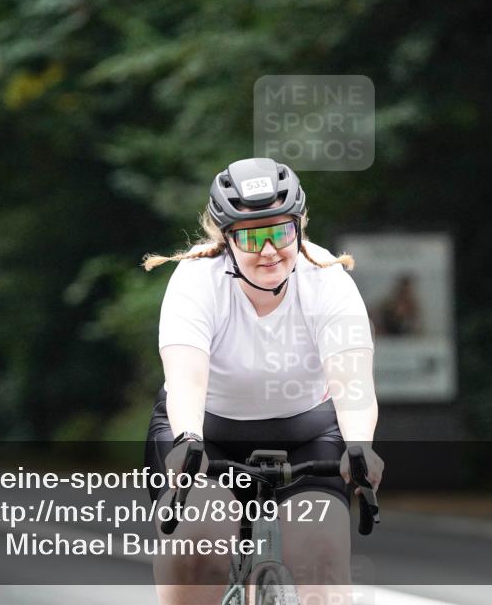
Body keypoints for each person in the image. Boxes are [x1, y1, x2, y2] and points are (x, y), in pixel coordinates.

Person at [143, 158, 383, 605]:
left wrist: (360, 446)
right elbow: (186, 379)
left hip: (307, 435)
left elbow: (353, 383)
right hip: (206, 436)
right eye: (253, 236)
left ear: (299, 227)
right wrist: (187, 439)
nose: (269, 249)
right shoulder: (196, 281)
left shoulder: (327, 280)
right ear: (226, 239)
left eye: (281, 231)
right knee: (199, 545)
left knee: (321, 558)